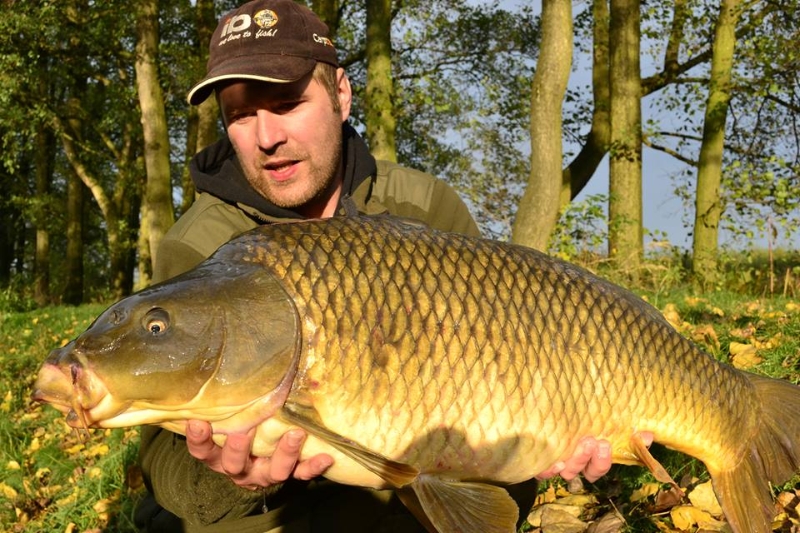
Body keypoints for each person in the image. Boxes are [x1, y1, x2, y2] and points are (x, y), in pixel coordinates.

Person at [135, 1, 623, 531]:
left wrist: (564, 422)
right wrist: (230, 474)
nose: (267, 137)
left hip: (413, 488)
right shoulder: (200, 244)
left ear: (341, 95)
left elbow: (515, 343)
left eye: (287, 103)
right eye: (241, 115)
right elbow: (163, 462)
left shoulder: (424, 205)